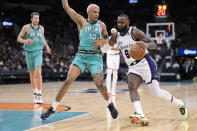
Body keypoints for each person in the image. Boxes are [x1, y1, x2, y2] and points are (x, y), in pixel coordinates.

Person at [40, 0, 118, 120]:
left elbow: (107, 37)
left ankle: (110, 104)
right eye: (94, 12)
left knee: (99, 83)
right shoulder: (81, 21)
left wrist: (104, 42)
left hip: (95, 57)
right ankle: (52, 108)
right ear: (88, 13)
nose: (97, 14)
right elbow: (66, 7)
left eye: (98, 12)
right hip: (81, 56)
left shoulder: (102, 25)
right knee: (68, 80)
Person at [108, 14, 189, 126]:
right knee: (132, 87)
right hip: (133, 66)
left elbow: (153, 44)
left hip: (145, 63)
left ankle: (179, 103)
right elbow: (109, 44)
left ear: (128, 23)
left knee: (156, 92)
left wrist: (145, 44)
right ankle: (141, 114)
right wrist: (108, 39)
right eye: (118, 22)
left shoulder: (134, 32)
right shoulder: (116, 36)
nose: (119, 25)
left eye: (122, 22)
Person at [17, 12, 51, 104]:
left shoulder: (41, 28)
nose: (36, 20)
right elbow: (18, 38)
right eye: (35, 18)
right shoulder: (26, 27)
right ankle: (35, 93)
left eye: (38, 18)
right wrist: (25, 41)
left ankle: (39, 94)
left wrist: (47, 46)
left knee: (38, 72)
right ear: (31, 19)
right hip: (29, 53)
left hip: (38, 52)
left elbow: (42, 38)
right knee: (31, 74)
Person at [102, 28, 120, 97]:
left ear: (116, 33)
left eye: (114, 32)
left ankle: (113, 90)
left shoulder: (119, 40)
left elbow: (119, 48)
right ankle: (108, 91)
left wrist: (111, 48)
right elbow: (105, 48)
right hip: (109, 56)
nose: (113, 33)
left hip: (116, 56)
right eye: (112, 33)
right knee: (109, 72)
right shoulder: (108, 39)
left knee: (115, 73)